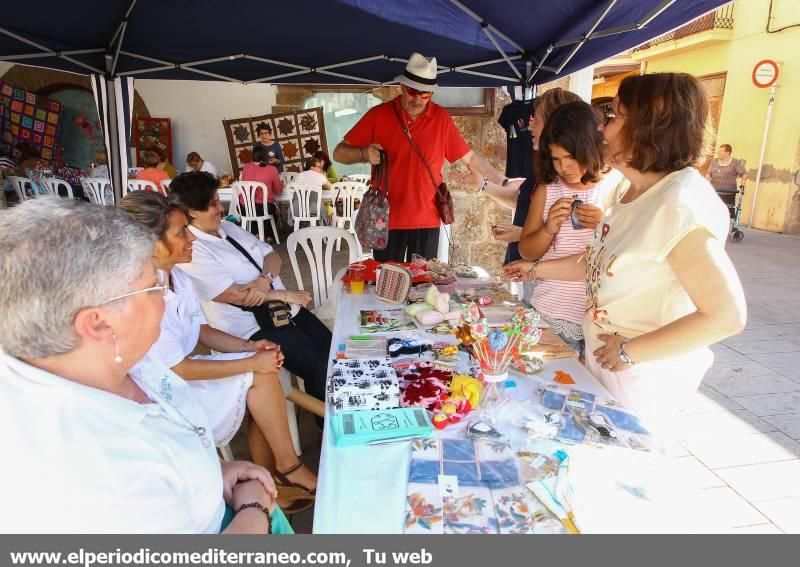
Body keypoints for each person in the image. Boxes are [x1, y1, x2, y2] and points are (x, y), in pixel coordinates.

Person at [0, 198, 289, 533]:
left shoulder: (116, 362)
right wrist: (255, 507)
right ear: (98, 324)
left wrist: (214, 474)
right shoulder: (101, 472)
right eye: (154, 286)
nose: (164, 298)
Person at [505, 73, 747, 433]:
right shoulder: (633, 194)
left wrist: (629, 351)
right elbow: (597, 265)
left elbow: (726, 316)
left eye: (615, 116)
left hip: (644, 380)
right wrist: (536, 270)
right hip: (610, 368)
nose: (603, 128)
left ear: (650, 127)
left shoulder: (679, 203)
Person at [119, 191, 317, 512]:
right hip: (163, 393)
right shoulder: (140, 293)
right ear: (152, 244)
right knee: (259, 372)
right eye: (181, 232)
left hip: (185, 373)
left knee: (262, 373)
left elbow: (201, 331)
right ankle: (286, 470)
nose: (190, 238)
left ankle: (273, 476)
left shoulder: (178, 277)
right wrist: (251, 359)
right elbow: (177, 369)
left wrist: (249, 347)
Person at [168, 172, 332, 420]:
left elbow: (273, 256)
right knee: (317, 367)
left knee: (333, 353)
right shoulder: (193, 250)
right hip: (253, 327)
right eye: (213, 203)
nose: (220, 207)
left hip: (284, 312)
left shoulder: (229, 228)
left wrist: (263, 280)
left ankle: (338, 411)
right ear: (192, 211)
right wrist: (284, 294)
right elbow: (234, 295)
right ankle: (330, 431)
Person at [333, 52, 509, 262]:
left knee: (423, 287)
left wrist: (503, 182)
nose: (418, 99)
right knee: (388, 286)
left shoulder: (441, 118)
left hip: (427, 219)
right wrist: (363, 153)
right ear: (402, 87)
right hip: (386, 218)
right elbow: (339, 153)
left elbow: (471, 159)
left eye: (425, 94)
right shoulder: (379, 114)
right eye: (412, 91)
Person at [511, 102, 621, 354]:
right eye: (557, 159)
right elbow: (527, 251)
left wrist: (604, 224)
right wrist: (549, 227)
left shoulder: (615, 186)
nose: (565, 168)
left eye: (572, 158)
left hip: (600, 321)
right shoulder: (548, 189)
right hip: (551, 312)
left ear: (592, 148)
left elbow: (622, 253)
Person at [706, 143, 748, 214]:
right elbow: (708, 174)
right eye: (718, 151)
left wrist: (743, 182)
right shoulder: (714, 161)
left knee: (727, 213)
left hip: (729, 193)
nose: (718, 153)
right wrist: (706, 182)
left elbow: (744, 173)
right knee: (712, 212)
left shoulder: (735, 162)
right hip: (715, 192)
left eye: (721, 151)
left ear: (727, 153)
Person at [240, 145, 284, 210]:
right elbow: (278, 192)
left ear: (252, 155)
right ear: (266, 156)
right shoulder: (272, 169)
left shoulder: (246, 167)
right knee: (275, 208)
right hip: (264, 208)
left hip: (246, 209)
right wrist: (281, 184)